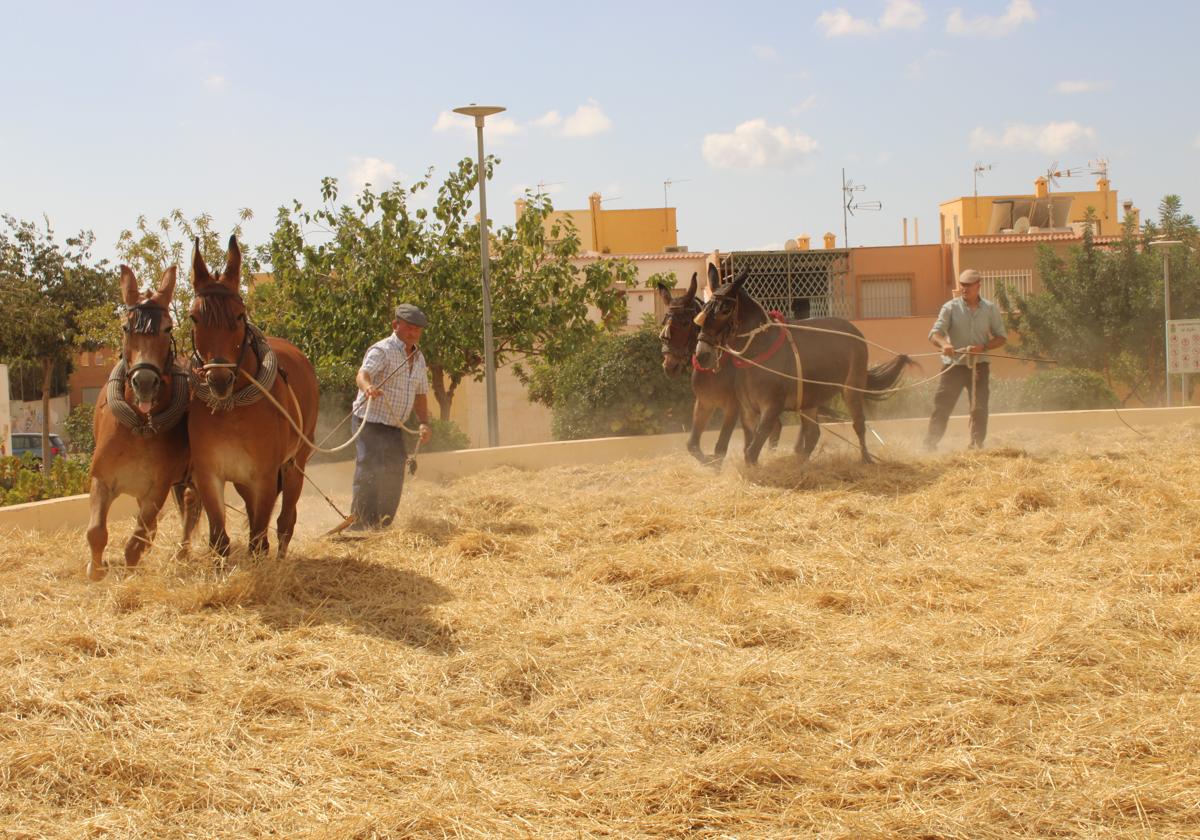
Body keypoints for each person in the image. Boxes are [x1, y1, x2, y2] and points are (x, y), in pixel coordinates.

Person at [348, 303, 434, 530]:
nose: (414, 333)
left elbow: (421, 394)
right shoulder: (382, 350)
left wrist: (425, 423)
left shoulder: (420, 358)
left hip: (395, 426)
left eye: (417, 329)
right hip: (370, 422)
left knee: (394, 473)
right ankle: (359, 524)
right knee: (370, 469)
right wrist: (368, 388)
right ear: (395, 325)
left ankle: (382, 524)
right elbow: (362, 374)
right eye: (409, 328)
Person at [923, 269, 1007, 451]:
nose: (964, 288)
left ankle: (976, 445)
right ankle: (930, 445)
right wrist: (944, 344)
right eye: (962, 285)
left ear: (978, 286)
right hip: (953, 366)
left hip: (979, 366)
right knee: (942, 407)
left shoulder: (990, 309)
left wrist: (983, 347)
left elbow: (1001, 337)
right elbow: (934, 334)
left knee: (979, 408)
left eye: (969, 285)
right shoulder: (950, 308)